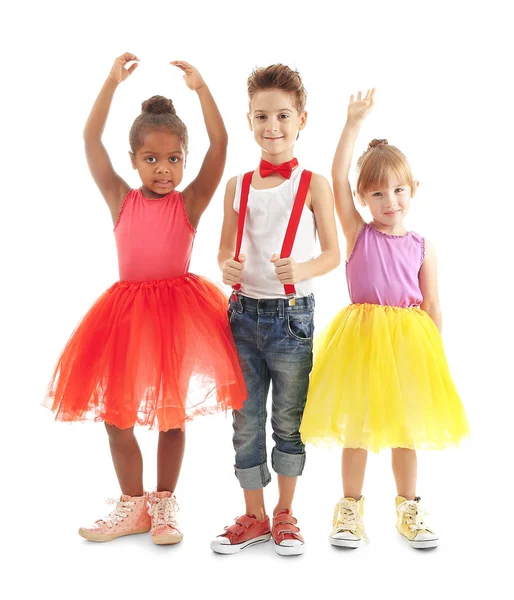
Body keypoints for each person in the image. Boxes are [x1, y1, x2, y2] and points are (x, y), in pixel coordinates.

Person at [44, 53, 246, 545]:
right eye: (151, 158)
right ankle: (132, 504)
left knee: (172, 418)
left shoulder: (191, 202)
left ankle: (164, 504)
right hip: (126, 319)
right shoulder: (119, 197)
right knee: (117, 417)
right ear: (132, 159)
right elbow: (90, 139)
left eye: (174, 158)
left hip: (179, 317)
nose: (163, 169)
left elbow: (221, 142)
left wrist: (202, 89)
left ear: (185, 160)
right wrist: (110, 83)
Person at [300, 89, 469, 549]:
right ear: (363, 198)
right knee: (356, 428)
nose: (389, 200)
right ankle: (350, 508)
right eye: (377, 193)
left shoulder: (422, 246)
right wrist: (352, 124)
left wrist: (433, 356)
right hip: (360, 344)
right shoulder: (357, 234)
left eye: (398, 189)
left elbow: (432, 304)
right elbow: (336, 178)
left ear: (414, 189)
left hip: (409, 347)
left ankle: (408, 507)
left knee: (404, 430)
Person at [211, 64, 340, 556]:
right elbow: (224, 250)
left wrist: (301, 267)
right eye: (262, 116)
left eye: (283, 115)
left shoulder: (314, 184)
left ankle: (285, 513)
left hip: (292, 317)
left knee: (288, 420)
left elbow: (334, 254)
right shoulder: (237, 185)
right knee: (245, 420)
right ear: (248, 120)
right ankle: (254, 515)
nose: (273, 126)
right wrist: (227, 266)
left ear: (302, 118)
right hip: (242, 315)